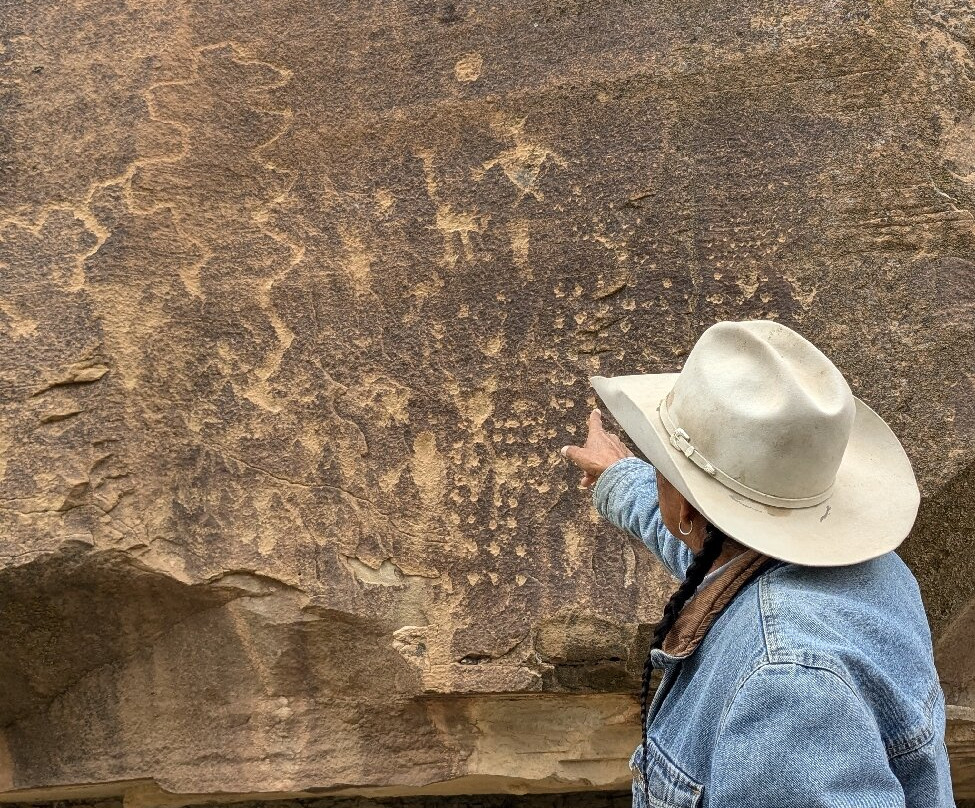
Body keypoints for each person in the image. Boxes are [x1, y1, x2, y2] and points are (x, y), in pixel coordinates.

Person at [560, 319, 955, 807]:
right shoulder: (875, 572)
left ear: (685, 507)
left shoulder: (785, 686)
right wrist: (620, 477)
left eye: (661, 465)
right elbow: (714, 557)